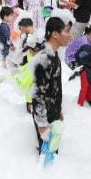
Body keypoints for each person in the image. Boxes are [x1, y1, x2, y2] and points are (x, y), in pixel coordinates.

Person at [32, 17, 71, 153]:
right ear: (55, 34)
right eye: (66, 31)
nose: (69, 35)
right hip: (45, 116)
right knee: (47, 157)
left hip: (52, 113)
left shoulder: (54, 56)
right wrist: (42, 124)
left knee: (53, 154)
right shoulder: (43, 59)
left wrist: (58, 110)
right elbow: (37, 94)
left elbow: (55, 87)